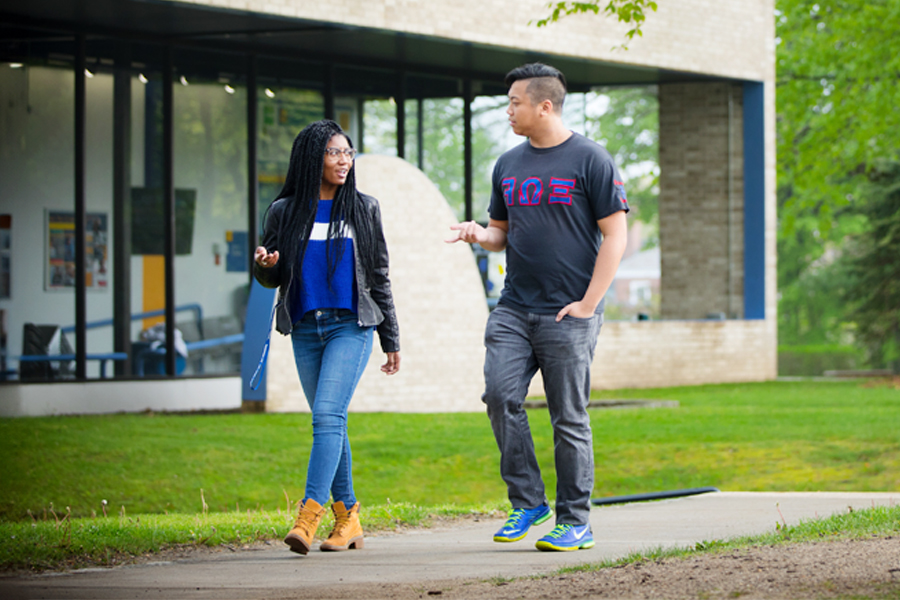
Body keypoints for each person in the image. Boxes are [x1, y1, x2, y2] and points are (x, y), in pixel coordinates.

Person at [447, 63, 628, 551]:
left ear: (544, 105)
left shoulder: (591, 159)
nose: (507, 110)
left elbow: (616, 234)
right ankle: (528, 503)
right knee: (499, 396)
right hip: (513, 308)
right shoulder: (507, 164)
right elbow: (500, 235)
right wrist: (478, 234)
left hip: (569, 312)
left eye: (514, 102)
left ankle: (575, 520)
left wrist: (589, 305)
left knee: (567, 416)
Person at [254, 119, 401, 555]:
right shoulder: (285, 211)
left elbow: (378, 276)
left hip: (350, 326)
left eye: (348, 153)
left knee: (326, 418)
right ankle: (349, 518)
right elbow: (274, 275)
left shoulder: (363, 208)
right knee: (331, 421)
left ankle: (308, 515)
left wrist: (391, 338)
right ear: (311, 157)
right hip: (304, 326)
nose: (344, 161)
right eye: (335, 153)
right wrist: (266, 265)